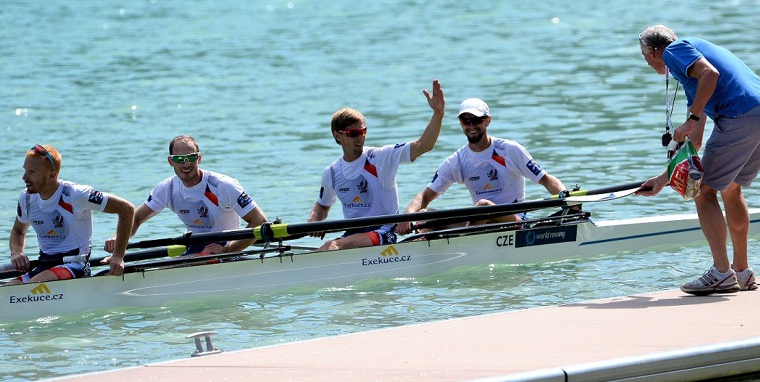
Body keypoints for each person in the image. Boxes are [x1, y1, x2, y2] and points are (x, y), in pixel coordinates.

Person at [636, 25, 760, 295]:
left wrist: (690, 119)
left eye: (644, 55)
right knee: (731, 187)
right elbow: (696, 140)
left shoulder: (675, 50)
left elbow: (710, 74)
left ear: (654, 50)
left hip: (741, 118)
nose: (646, 62)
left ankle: (721, 273)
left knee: (704, 192)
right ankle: (742, 272)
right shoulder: (692, 73)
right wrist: (663, 179)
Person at [307, 79, 446, 251]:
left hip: (383, 232)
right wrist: (314, 220)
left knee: (332, 246)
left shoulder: (381, 157)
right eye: (354, 134)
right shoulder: (332, 173)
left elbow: (423, 145)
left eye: (363, 132)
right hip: (353, 236)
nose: (361, 138)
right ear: (338, 136)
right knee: (327, 247)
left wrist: (438, 114)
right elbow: (322, 206)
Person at [397, 98, 567, 235]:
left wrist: (565, 197)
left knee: (484, 204)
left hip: (513, 221)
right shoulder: (457, 160)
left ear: (488, 120)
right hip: (478, 222)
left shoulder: (509, 150)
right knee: (425, 215)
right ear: (461, 123)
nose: (471, 126)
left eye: (477, 120)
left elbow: (545, 180)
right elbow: (424, 196)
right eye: (465, 120)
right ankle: (413, 254)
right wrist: (407, 217)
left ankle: (463, 242)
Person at [105, 135, 267, 256]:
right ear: (171, 161)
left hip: (226, 245)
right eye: (180, 159)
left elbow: (259, 221)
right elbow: (136, 219)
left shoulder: (223, 185)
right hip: (196, 245)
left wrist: (229, 249)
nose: (186, 164)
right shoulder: (167, 188)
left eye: (191, 158)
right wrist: (117, 238)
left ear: (199, 158)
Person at [6, 144, 135, 285]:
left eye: (32, 172)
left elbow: (126, 209)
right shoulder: (26, 198)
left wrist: (118, 255)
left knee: (30, 288)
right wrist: (16, 253)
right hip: (43, 267)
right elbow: (18, 231)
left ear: (51, 175)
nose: (24, 177)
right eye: (25, 170)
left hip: (75, 266)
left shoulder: (77, 195)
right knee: (7, 291)